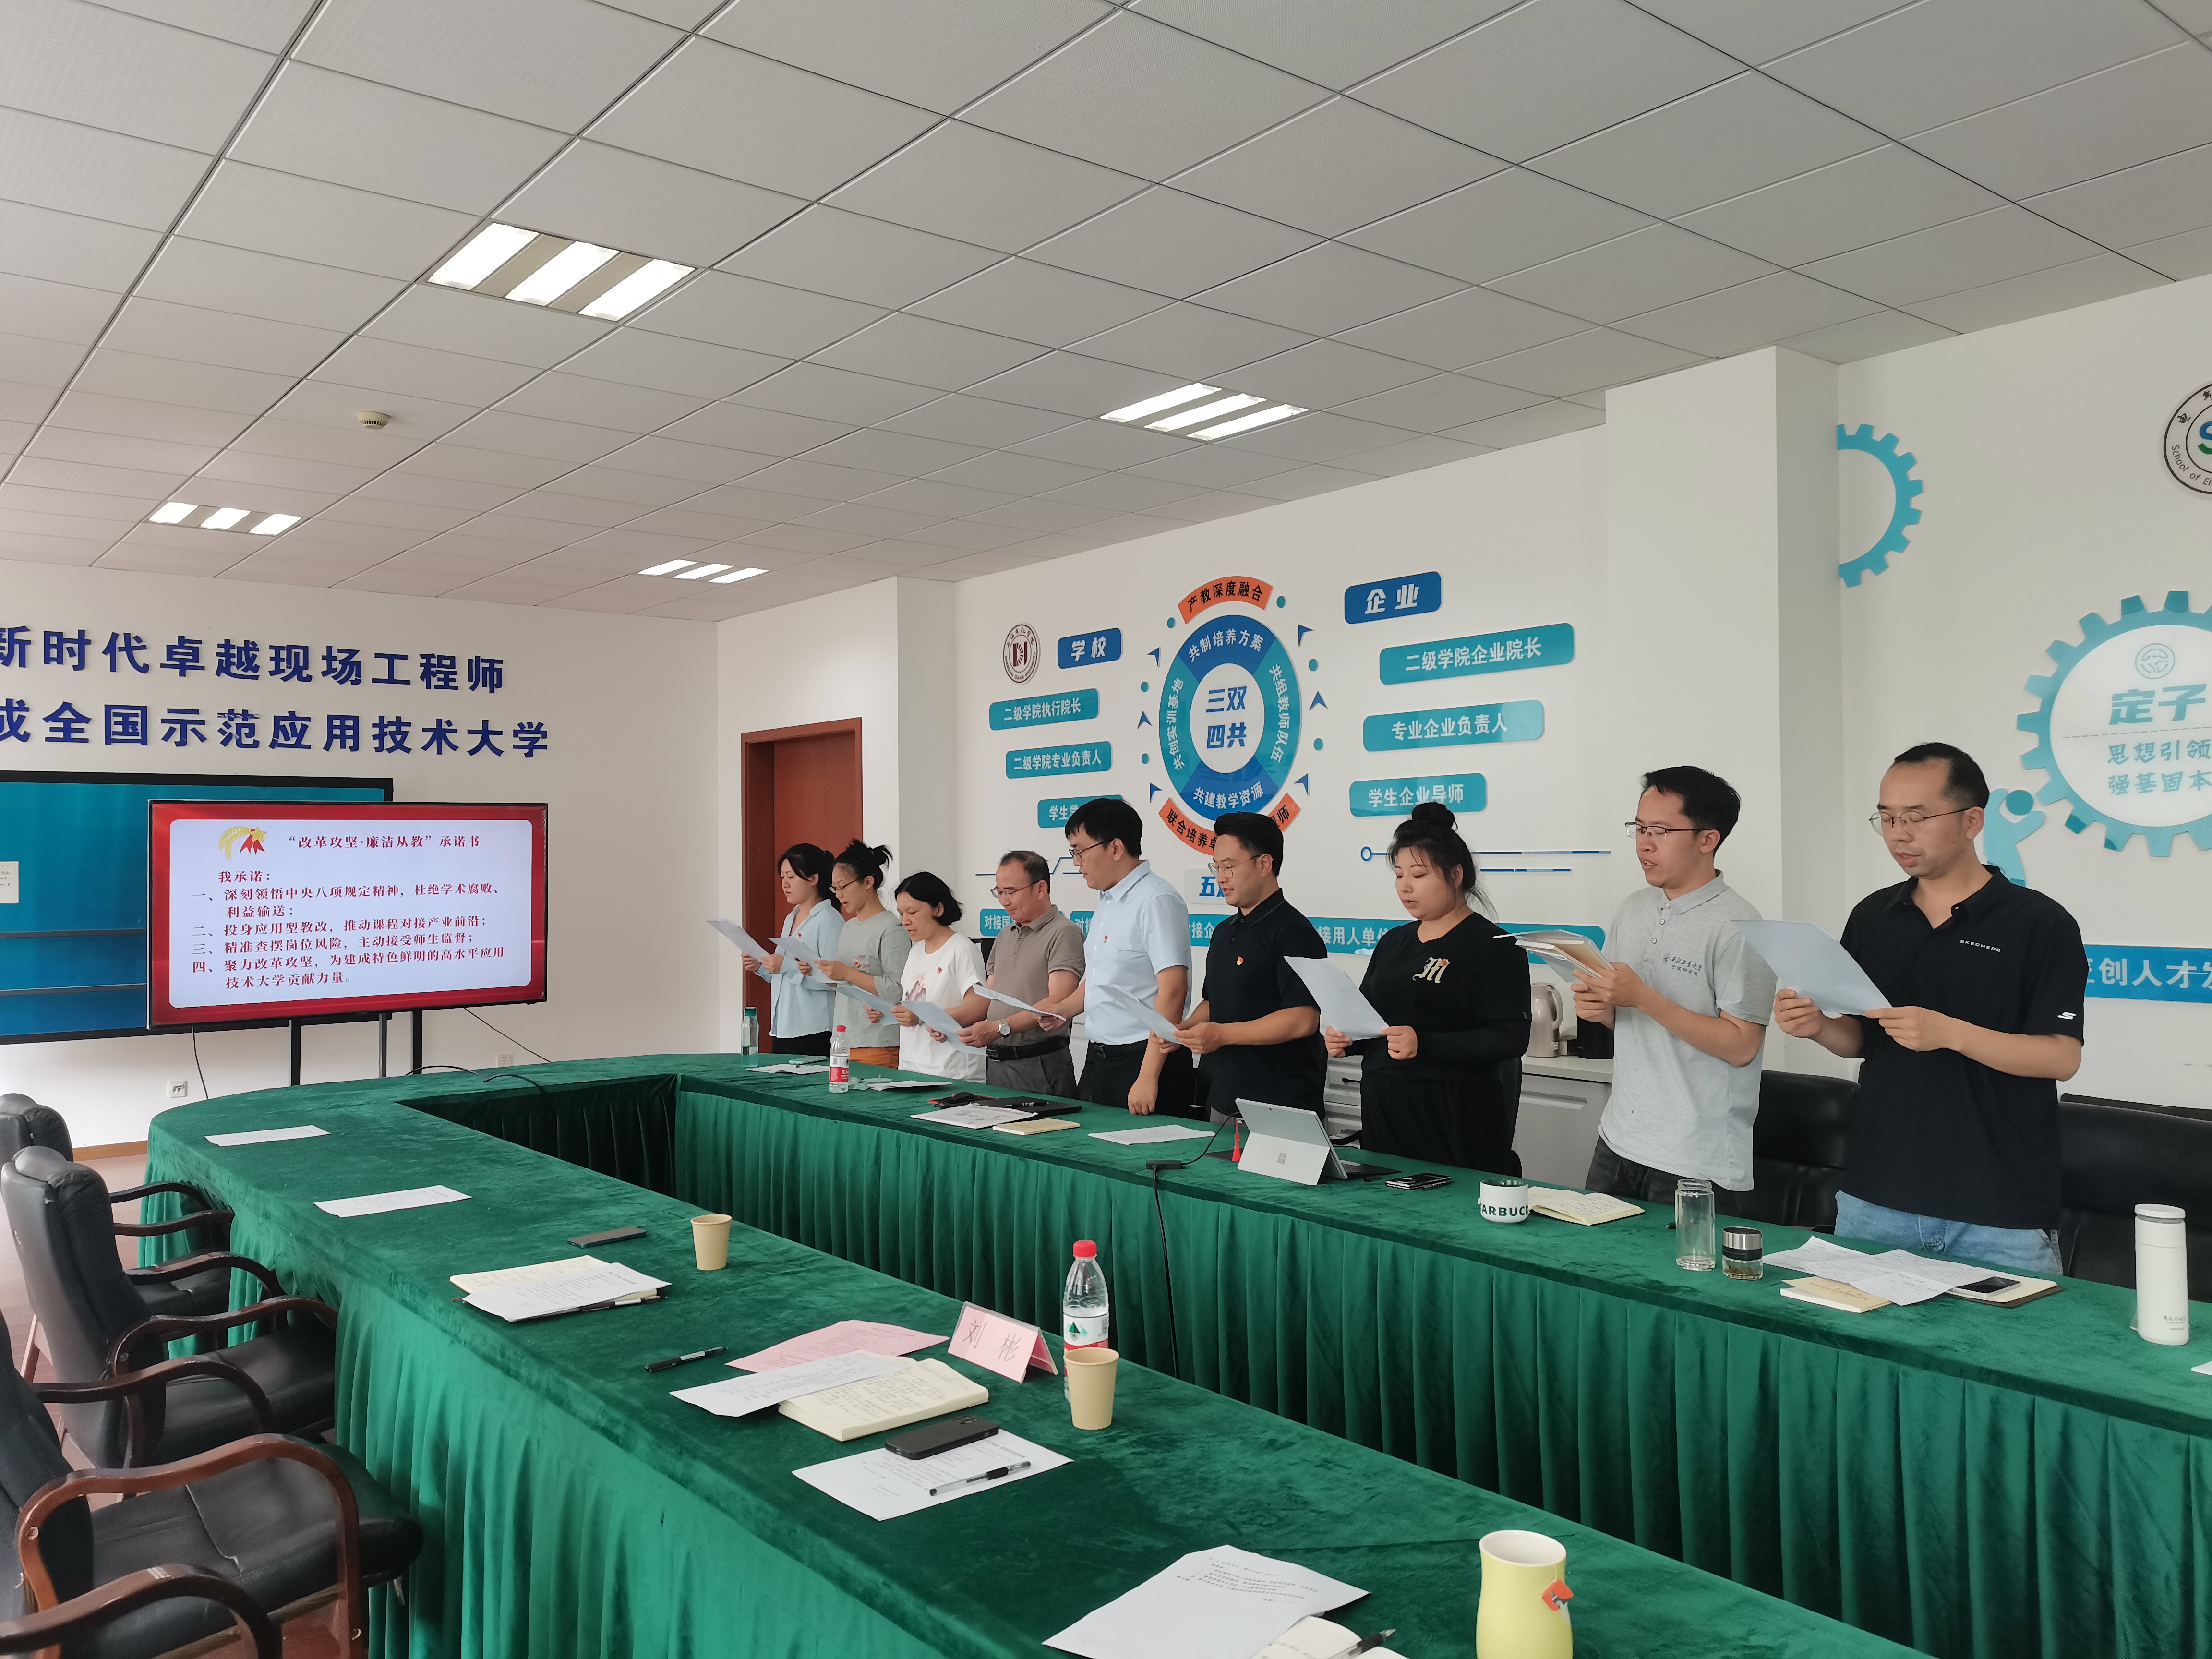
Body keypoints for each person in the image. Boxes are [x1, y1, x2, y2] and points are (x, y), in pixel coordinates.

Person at [1775, 742, 2085, 1275]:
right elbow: (1862, 1039)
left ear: (1972, 821)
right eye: (1887, 817)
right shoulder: (1873, 916)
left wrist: (1951, 1033)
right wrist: (1819, 1026)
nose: (1899, 834)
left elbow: (2061, 1058)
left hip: (1998, 1212)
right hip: (1877, 1198)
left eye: (1917, 817)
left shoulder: (2040, 923)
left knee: (2009, 1334)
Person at [1575, 767, 1777, 1206]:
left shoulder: (1740, 926)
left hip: (1695, 1158)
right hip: (1619, 1138)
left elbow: (1742, 1046)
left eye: (1661, 831)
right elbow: (1625, 1018)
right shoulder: (1633, 909)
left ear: (1708, 839)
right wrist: (1602, 1008)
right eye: (1640, 828)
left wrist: (1644, 998)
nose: (1644, 844)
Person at [1324, 803, 1531, 1170]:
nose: (1405, 887)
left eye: (1419, 875)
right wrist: (1348, 1039)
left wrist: (1425, 1043)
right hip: (1385, 1113)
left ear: (1456, 875)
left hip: (1453, 1116)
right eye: (1399, 874)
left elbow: (1510, 1039)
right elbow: (1373, 1021)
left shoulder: (1494, 945)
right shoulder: (1392, 942)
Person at [1035, 798, 1195, 1117]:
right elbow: (1101, 978)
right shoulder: (1108, 899)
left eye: (1080, 851)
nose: (1077, 862)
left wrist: (1148, 1076)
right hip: (1099, 1059)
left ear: (1116, 848)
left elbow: (1173, 991)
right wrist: (1063, 1009)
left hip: (1143, 1060)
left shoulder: (1156, 900)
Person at [1174, 811, 1328, 1117]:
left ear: (1264, 864)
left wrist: (1221, 1035)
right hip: (1224, 1098)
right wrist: (1181, 1031)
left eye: (1229, 866)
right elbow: (1214, 1003)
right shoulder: (1223, 932)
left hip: (1280, 1104)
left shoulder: (1294, 933)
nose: (1221, 878)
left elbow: (1302, 1019)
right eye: (1217, 867)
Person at [954, 851, 1084, 1097]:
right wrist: (950, 1023)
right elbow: (989, 998)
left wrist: (1000, 1028)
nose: (1004, 901)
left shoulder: (1063, 933)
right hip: (997, 1063)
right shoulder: (1005, 935)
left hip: (1039, 1063)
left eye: (1011, 892)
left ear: (1041, 888)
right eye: (999, 892)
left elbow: (1059, 1001)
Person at [806, 840, 910, 1069]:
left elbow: (897, 988)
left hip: (877, 1044)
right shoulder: (849, 927)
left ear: (868, 882)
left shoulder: (891, 929)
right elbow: (847, 985)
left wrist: (847, 973)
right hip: (843, 1039)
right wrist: (824, 973)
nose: (839, 895)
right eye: (835, 888)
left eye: (843, 886)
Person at [737, 843, 842, 1055]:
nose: (785, 884)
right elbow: (784, 976)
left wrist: (787, 967)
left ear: (813, 879)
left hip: (813, 1029)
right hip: (783, 1027)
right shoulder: (791, 918)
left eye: (791, 877)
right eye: (783, 877)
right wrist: (761, 966)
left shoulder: (829, 920)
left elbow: (835, 982)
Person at [888, 872, 988, 1082]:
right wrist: (888, 1011)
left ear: (939, 909)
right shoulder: (916, 951)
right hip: (911, 1067)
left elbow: (979, 1007)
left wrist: (923, 1017)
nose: (906, 921)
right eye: (901, 913)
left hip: (952, 1073)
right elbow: (916, 1003)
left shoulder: (960, 949)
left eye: (913, 912)